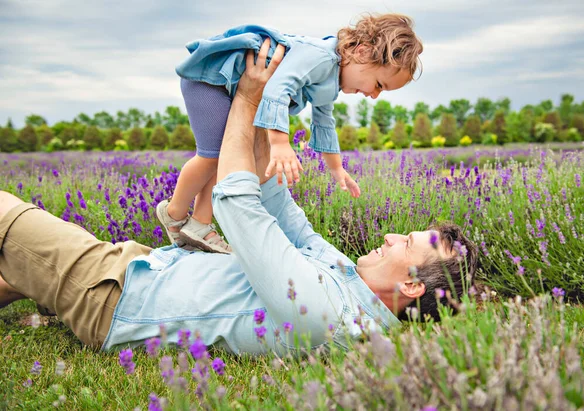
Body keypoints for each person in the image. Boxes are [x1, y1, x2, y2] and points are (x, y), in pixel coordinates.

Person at [0, 41, 477, 354]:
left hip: (112, 296)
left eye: (405, 242)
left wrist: (248, 99)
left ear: (413, 286)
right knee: (17, 273)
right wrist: (272, 121)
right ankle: (26, 283)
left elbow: (239, 207)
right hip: (142, 267)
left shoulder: (328, 315)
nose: (391, 235)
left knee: (6, 214)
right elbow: (283, 214)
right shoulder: (348, 281)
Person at [157, 13, 423, 253]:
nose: (374, 96)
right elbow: (277, 90)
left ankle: (199, 224)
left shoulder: (330, 81)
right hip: (210, 78)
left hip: (225, 85)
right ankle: (174, 213)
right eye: (378, 84)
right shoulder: (321, 56)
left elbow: (324, 123)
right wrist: (280, 143)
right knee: (213, 156)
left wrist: (337, 169)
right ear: (362, 52)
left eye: (382, 91)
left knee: (222, 157)